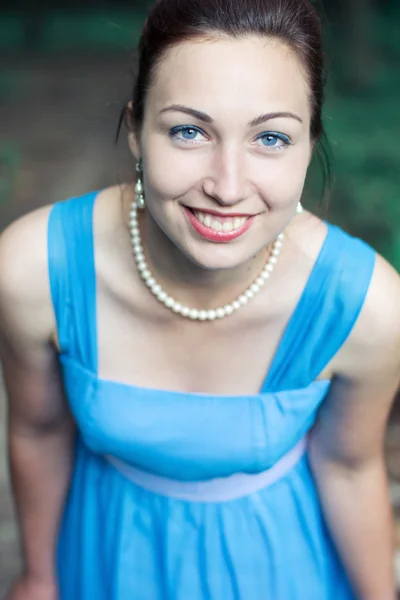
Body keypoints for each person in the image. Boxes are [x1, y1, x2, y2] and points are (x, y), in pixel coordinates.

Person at [1, 0, 399, 598]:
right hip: (106, 555)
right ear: (136, 130)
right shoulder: (31, 270)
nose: (227, 186)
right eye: (189, 130)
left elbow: (350, 465)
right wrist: (38, 574)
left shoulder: (368, 307)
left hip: (283, 569)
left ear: (309, 145)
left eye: (270, 137)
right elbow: (38, 430)